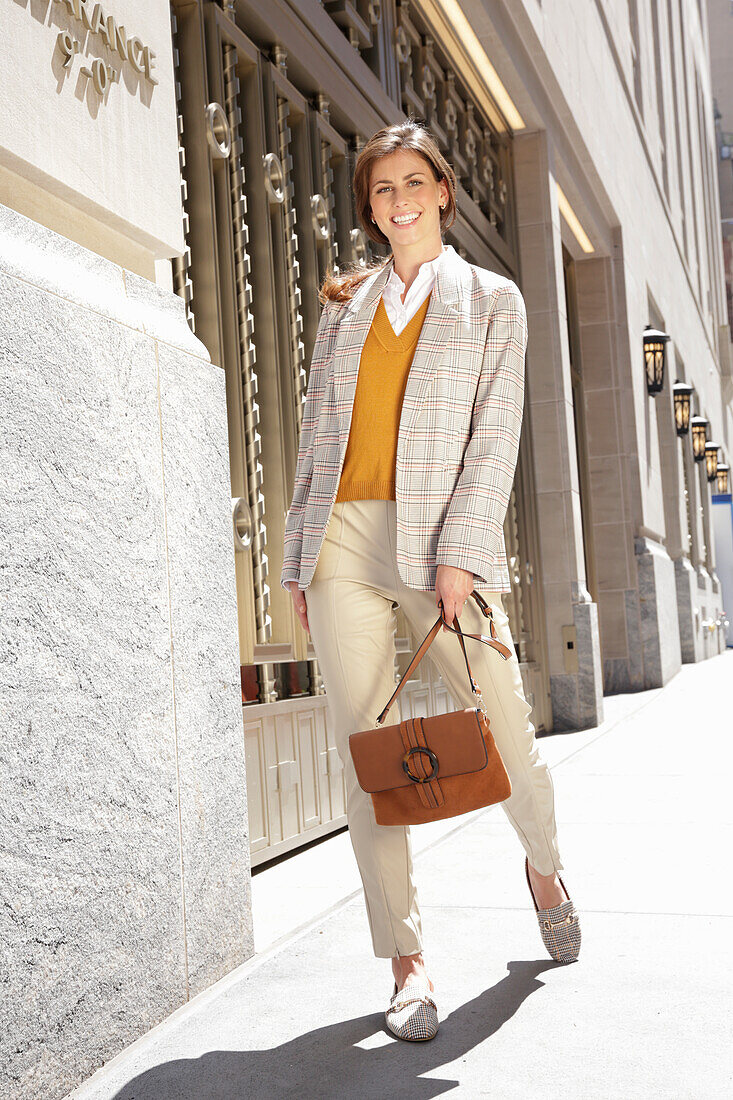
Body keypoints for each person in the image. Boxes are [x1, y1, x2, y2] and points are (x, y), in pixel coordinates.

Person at [281, 119, 581, 1042]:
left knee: (504, 728)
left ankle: (541, 866)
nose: (399, 199)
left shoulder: (493, 301)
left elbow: (494, 436)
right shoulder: (343, 304)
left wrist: (460, 550)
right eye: (382, 189)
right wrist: (300, 556)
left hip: (442, 545)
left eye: (414, 182)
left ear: (442, 191)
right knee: (369, 754)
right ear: (370, 207)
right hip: (342, 547)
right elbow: (315, 437)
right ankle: (407, 963)